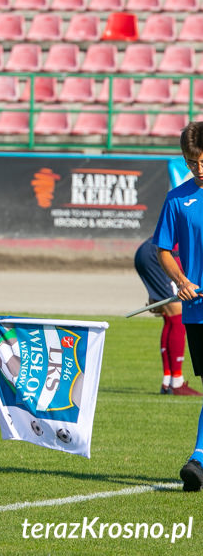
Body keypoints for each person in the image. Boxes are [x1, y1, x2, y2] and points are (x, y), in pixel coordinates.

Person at [154, 120, 203, 492]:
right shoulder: (177, 200)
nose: (198, 169)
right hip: (198, 312)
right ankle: (200, 460)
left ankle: (199, 459)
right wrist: (183, 282)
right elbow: (163, 250)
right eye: (192, 162)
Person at [134, 238, 201, 396]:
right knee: (177, 316)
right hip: (160, 254)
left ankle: (168, 381)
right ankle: (176, 383)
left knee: (170, 317)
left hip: (149, 251)